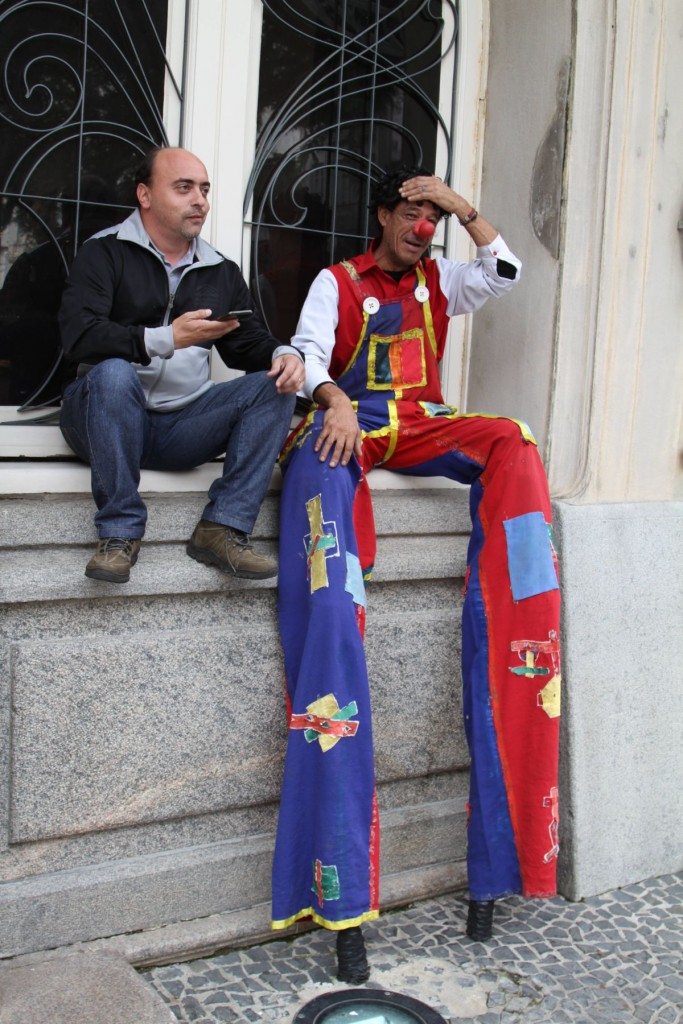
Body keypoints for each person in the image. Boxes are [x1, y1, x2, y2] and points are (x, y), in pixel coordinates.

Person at [271, 166, 561, 982]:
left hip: (420, 427)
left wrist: (464, 205)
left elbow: (504, 270)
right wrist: (327, 397)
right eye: (410, 213)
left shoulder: (443, 279)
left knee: (513, 437)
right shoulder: (338, 281)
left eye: (430, 217)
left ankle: (518, 585)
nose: (420, 227)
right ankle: (340, 899)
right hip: (351, 424)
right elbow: (303, 351)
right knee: (332, 592)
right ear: (383, 217)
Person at [58, 146, 304, 583]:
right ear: (145, 195)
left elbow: (244, 341)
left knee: (275, 384)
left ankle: (223, 527)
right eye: (184, 188)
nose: (200, 201)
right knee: (112, 372)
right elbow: (80, 336)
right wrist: (166, 339)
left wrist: (282, 354)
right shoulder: (105, 252)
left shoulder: (219, 270)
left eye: (205, 190)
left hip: (182, 427)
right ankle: (119, 534)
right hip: (106, 420)